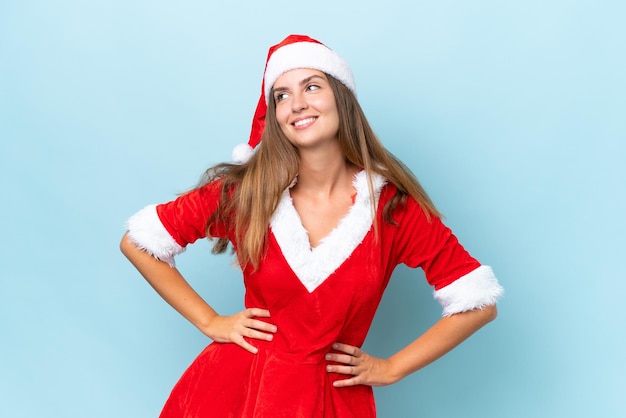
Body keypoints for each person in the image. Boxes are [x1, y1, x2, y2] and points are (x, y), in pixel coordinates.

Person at [120, 34, 504, 418]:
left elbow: (478, 302)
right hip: (235, 392)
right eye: (282, 96)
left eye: (312, 86)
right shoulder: (247, 194)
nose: (297, 104)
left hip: (332, 400)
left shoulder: (394, 209)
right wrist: (209, 321)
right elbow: (139, 242)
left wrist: (392, 368)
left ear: (342, 97)